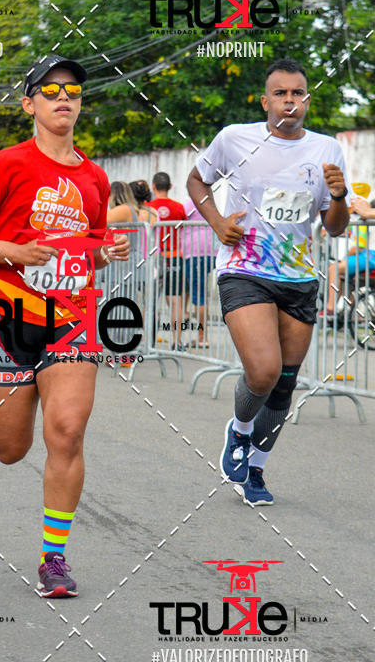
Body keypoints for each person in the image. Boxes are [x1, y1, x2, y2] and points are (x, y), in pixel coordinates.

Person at [0, 54, 129, 598]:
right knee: (11, 449)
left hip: (70, 319)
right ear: (29, 104)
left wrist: (106, 251)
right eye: (50, 90)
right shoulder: (4, 165)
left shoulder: (95, 178)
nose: (64, 97)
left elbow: (85, 251)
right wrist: (16, 251)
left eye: (72, 89)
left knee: (68, 431)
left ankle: (54, 558)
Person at [187, 57, 349, 505]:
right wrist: (217, 222)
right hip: (246, 270)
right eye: (281, 93)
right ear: (265, 100)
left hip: (298, 277)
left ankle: (255, 469)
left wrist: (337, 196)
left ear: (307, 101)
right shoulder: (235, 139)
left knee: (285, 383)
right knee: (263, 371)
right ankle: (239, 432)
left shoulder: (327, 149)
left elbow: (334, 227)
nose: (290, 101)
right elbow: (197, 180)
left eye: (298, 93)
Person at [148, 171, 186, 347]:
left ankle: (149, 341)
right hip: (174, 257)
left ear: (153, 186)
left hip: (154, 258)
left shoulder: (148, 207)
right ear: (170, 187)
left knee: (150, 299)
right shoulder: (178, 207)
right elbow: (183, 228)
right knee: (175, 300)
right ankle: (177, 342)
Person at [324, 196, 375, 315]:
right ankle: (353, 313)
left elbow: (358, 247)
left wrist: (344, 258)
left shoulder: (363, 221)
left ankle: (330, 309)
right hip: (368, 256)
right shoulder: (361, 220)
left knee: (334, 268)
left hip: (370, 256)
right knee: (344, 278)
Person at [180, 196, 216, 347]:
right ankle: (186, 314)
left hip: (196, 252)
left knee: (199, 294)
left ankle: (202, 338)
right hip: (210, 251)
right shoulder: (211, 203)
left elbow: (178, 219)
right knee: (190, 287)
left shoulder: (190, 203)